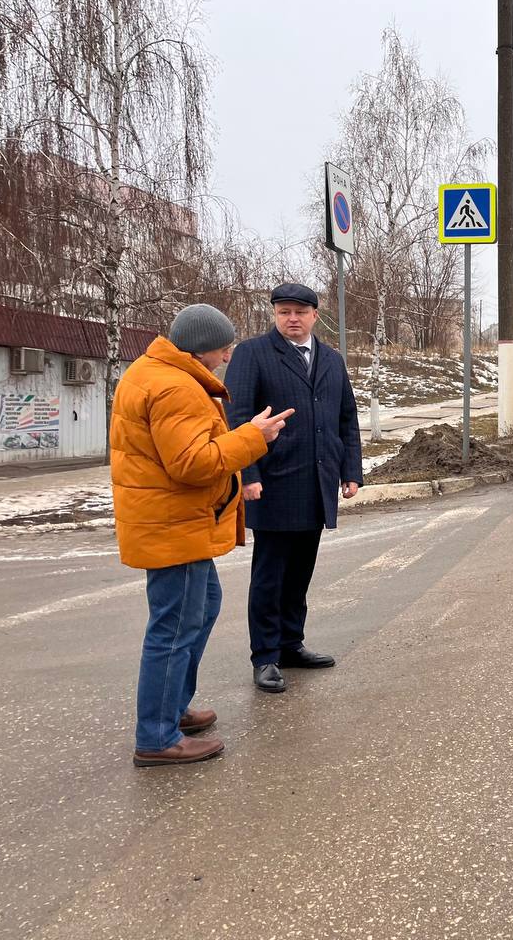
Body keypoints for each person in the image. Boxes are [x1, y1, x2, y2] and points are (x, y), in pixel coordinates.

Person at [111, 304, 293, 767]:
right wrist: (253, 436)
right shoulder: (175, 387)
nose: (229, 353)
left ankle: (172, 709)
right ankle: (157, 737)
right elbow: (192, 464)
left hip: (169, 521)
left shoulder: (154, 371)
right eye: (224, 345)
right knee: (173, 628)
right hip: (174, 524)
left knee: (202, 606)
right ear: (202, 347)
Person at [224, 283, 363, 694]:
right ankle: (265, 656)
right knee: (270, 576)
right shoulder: (253, 354)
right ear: (274, 314)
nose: (292, 319)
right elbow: (239, 418)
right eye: (284, 311)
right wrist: (248, 475)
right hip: (273, 485)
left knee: (300, 572)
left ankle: (290, 644)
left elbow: (346, 418)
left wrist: (349, 470)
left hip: (316, 483)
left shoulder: (332, 359)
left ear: (315, 316)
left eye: (300, 312)